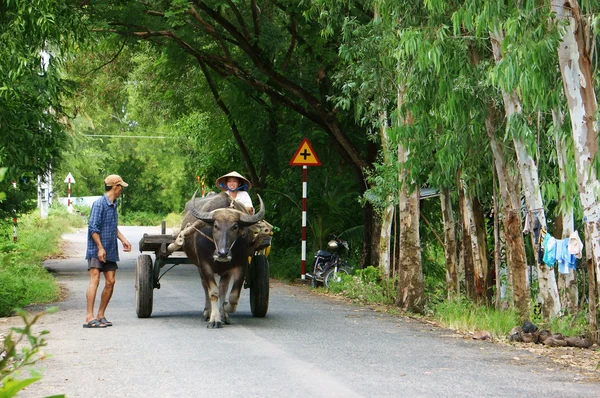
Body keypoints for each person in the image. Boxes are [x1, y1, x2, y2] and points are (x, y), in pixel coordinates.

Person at [83, 174, 132, 328]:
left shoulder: (113, 204)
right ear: (114, 187)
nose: (121, 190)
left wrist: (123, 240)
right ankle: (89, 317)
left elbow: (113, 227)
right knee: (95, 280)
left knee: (111, 281)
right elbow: (93, 228)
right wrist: (99, 247)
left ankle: (101, 315)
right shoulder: (99, 204)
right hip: (97, 249)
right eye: (120, 187)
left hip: (110, 249)